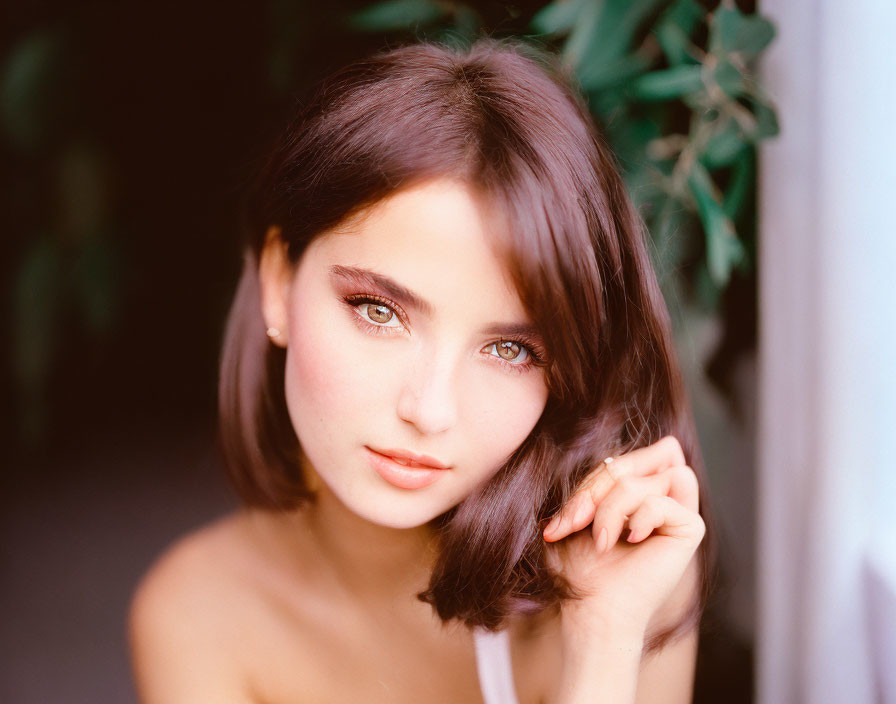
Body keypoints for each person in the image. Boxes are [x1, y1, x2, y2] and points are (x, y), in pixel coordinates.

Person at [127, 36, 718, 703]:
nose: (429, 409)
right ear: (277, 281)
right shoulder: (197, 616)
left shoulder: (629, 578)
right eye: (378, 312)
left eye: (512, 350)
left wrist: (603, 641)